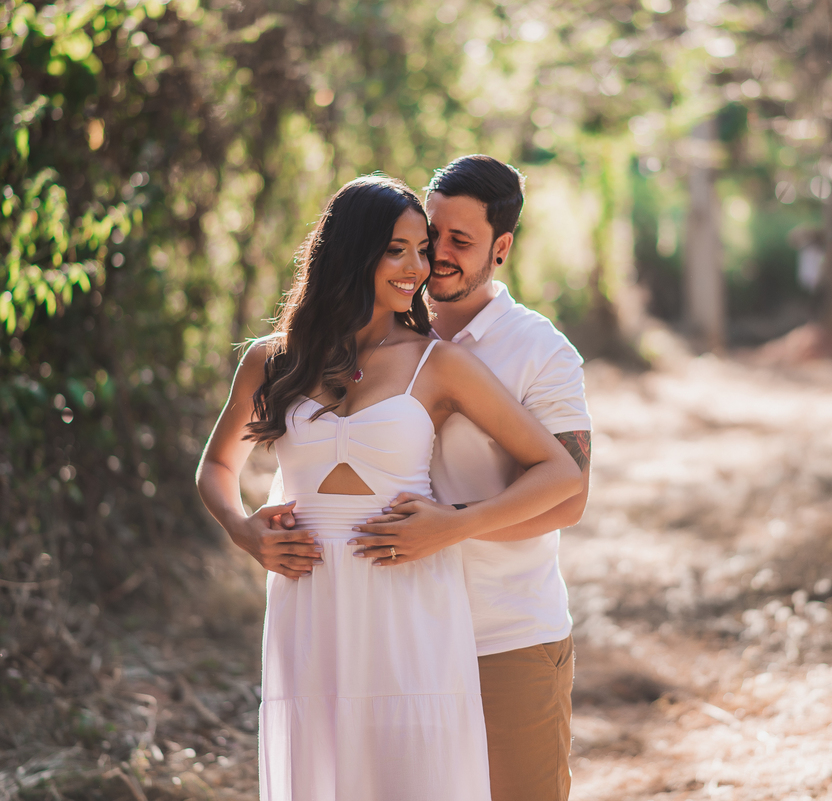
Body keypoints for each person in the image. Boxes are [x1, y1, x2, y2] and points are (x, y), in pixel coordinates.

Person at [194, 174, 581, 801]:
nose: (420, 266)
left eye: (423, 250)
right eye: (400, 249)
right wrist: (243, 530)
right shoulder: (272, 359)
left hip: (411, 602)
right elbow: (217, 465)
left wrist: (454, 524)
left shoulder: (440, 361)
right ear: (351, 251)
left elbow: (561, 473)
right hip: (309, 607)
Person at [350, 155, 592, 801]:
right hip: (394, 629)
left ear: (501, 248)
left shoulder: (541, 351)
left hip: (504, 633)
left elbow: (569, 499)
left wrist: (454, 528)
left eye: (461, 240)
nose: (438, 254)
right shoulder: (375, 333)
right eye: (431, 235)